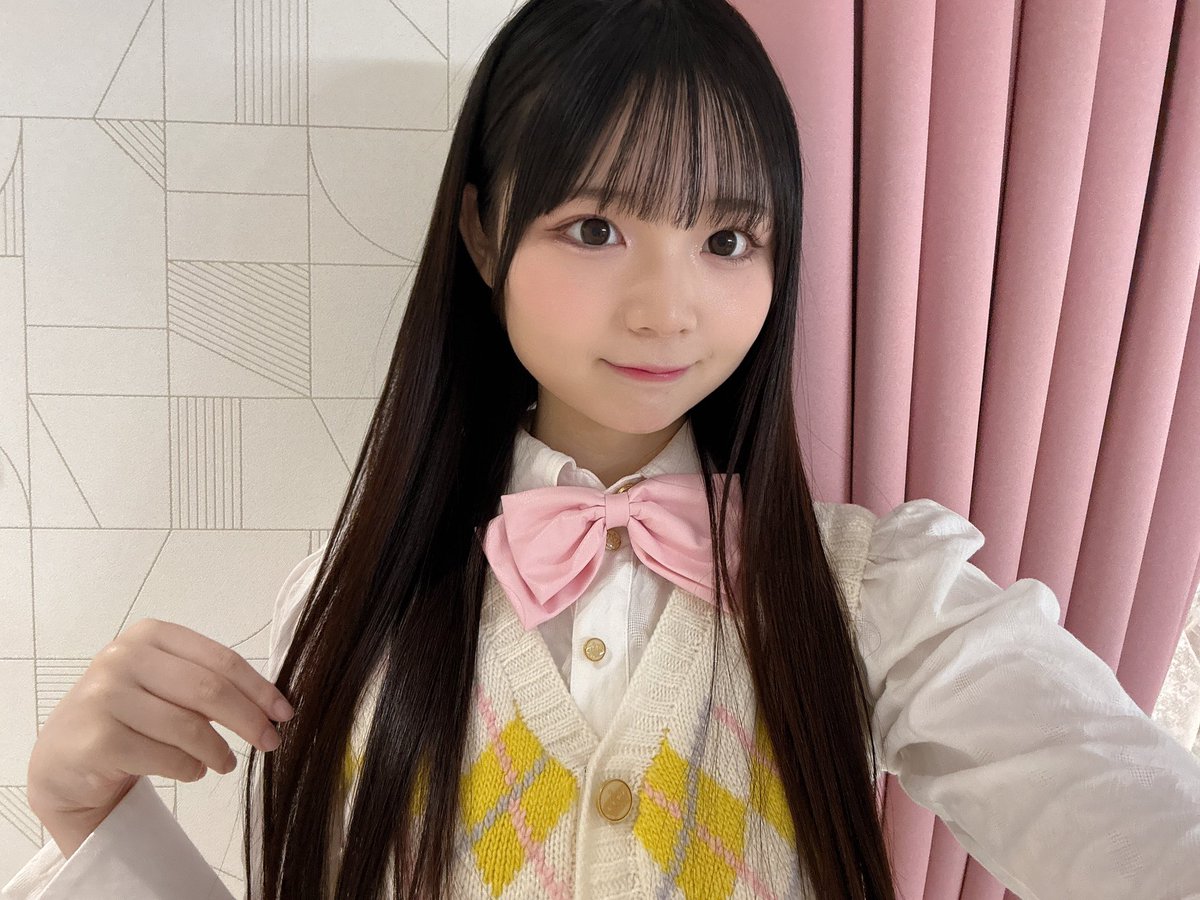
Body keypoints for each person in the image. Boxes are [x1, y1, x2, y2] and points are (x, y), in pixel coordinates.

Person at [5, 0, 1200, 897]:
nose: (666, 309)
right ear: (483, 233)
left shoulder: (874, 596)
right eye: (594, 226)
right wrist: (90, 820)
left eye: (727, 240)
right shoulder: (352, 603)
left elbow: (1131, 816)